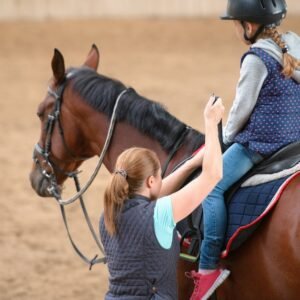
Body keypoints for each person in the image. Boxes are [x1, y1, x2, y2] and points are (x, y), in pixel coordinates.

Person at [188, 0, 300, 299]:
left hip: (262, 145)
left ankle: (209, 267)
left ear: (249, 26)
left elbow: (240, 111)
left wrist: (223, 138)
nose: (237, 29)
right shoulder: (294, 44)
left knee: (210, 186)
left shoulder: (255, 59)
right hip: (295, 142)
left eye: (237, 24)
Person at [99, 95, 224, 299]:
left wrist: (191, 164)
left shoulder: (107, 215)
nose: (161, 181)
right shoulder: (161, 214)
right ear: (150, 182)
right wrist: (211, 123)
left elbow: (151, 197)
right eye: (158, 177)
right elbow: (213, 175)